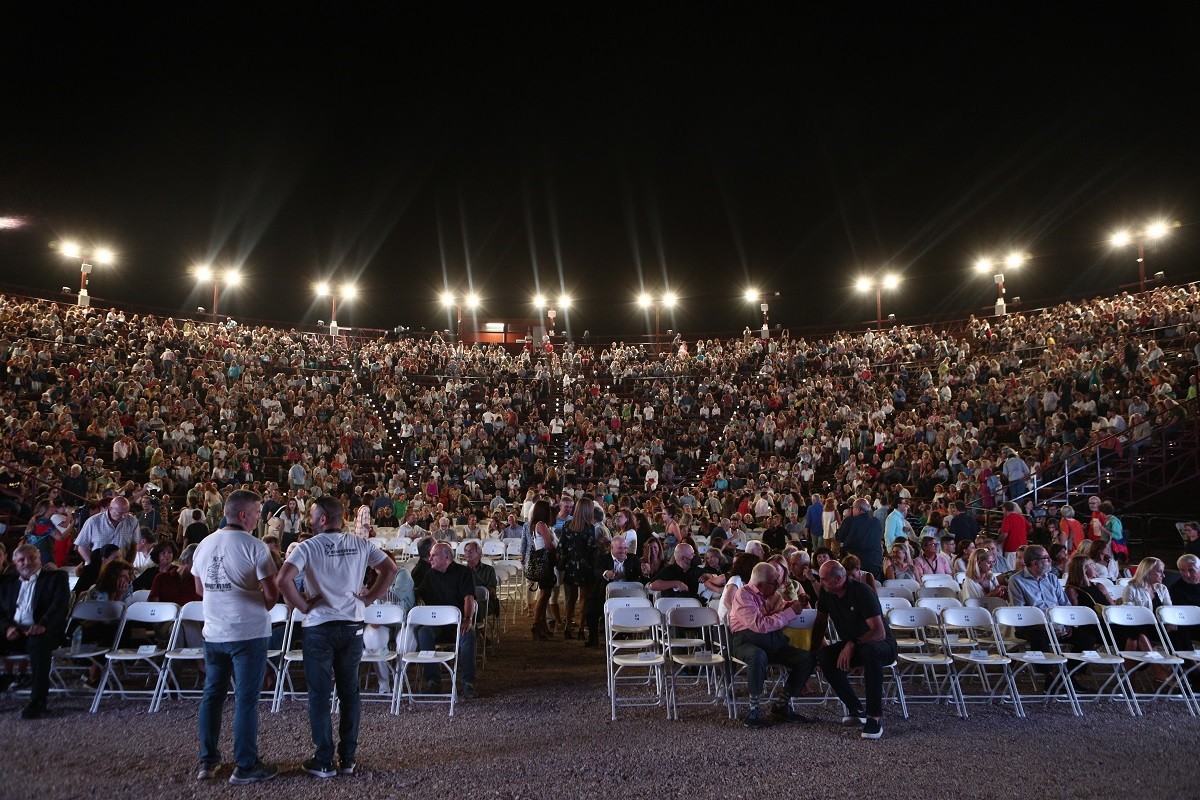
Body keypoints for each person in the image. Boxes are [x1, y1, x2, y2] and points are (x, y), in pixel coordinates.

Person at [276, 495, 397, 779]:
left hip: (319, 625)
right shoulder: (360, 544)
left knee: (319, 694)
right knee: (349, 692)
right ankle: (349, 758)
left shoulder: (308, 546)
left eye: (313, 516)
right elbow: (390, 569)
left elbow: (283, 580)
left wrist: (303, 606)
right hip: (351, 624)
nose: (310, 520)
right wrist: (369, 599)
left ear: (322, 519)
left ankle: (324, 760)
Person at [192, 489, 280, 785]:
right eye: (256, 512)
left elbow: (200, 590)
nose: (259, 517)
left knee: (212, 695)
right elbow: (270, 596)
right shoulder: (256, 547)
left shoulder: (204, 544)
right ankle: (245, 764)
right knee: (246, 699)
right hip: (248, 632)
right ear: (244, 515)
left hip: (214, 632)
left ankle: (208, 760)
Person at [811, 560, 897, 740]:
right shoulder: (827, 593)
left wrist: (851, 644)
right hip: (857, 644)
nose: (821, 582)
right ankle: (856, 708)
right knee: (825, 655)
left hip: (881, 644)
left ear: (838, 579)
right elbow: (820, 624)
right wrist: (812, 654)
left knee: (870, 652)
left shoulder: (862, 592)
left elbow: (879, 632)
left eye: (824, 579)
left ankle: (874, 718)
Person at [727, 562, 815, 728]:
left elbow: (778, 613)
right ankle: (754, 708)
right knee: (757, 655)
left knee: (807, 658)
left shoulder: (772, 594)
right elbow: (760, 624)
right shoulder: (743, 595)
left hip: (771, 640)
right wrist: (790, 612)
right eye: (774, 581)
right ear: (761, 584)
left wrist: (796, 605)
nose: (778, 584)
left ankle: (782, 704)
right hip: (747, 640)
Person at [1007, 545, 1097, 688]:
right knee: (1038, 636)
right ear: (1035, 562)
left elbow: (1064, 604)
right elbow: (1020, 611)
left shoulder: (1052, 579)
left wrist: (1067, 624)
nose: (1050, 561)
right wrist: (1045, 625)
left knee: (1087, 636)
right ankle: (1049, 677)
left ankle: (1070, 675)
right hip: (1032, 624)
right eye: (1047, 559)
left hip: (1058, 623)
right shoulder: (1016, 581)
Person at [0, 544, 70, 719]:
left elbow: (59, 605)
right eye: (21, 559)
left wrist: (43, 625)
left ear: (40, 560)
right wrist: (8, 627)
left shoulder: (56, 577)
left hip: (44, 630)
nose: (27, 562)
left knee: (37, 642)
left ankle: (38, 701)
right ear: (15, 563)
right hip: (14, 630)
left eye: (32, 558)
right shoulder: (6, 582)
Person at [414, 542, 478, 698]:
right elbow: (418, 594)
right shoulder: (430, 575)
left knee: (468, 634)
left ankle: (467, 683)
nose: (430, 559)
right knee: (423, 632)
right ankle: (433, 681)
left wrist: (468, 619)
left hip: (457, 624)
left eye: (434, 555)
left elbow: (468, 597)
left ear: (447, 556)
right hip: (437, 625)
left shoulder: (463, 572)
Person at [584, 535, 642, 647]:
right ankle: (593, 639)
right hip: (606, 597)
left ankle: (623, 634)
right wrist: (606, 573)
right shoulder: (603, 558)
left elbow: (639, 574)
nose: (624, 551)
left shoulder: (633, 559)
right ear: (612, 548)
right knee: (590, 608)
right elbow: (597, 570)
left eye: (625, 548)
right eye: (620, 548)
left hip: (628, 598)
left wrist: (644, 572)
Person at [526, 499, 558, 640]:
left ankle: (542, 625)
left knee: (545, 594)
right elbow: (549, 545)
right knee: (544, 595)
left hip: (543, 562)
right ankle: (536, 624)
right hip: (545, 562)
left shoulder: (536, 525)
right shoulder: (541, 525)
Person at [75, 496, 139, 564]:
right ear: (110, 508)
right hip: (98, 568)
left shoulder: (132, 521)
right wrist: (93, 564)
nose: (123, 516)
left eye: (126, 513)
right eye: (120, 513)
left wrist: (129, 565)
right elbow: (82, 546)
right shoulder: (93, 522)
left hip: (121, 568)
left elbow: (134, 546)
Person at [836, 498, 884, 580]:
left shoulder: (850, 520)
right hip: (874, 563)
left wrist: (845, 520)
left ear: (858, 509)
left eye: (853, 508)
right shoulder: (876, 522)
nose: (852, 510)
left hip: (853, 565)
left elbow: (839, 537)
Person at [996, 501, 1030, 572]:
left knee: (1011, 571)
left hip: (1011, 548)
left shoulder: (1007, 518)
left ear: (1004, 509)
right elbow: (1030, 529)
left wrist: (997, 543)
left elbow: (1004, 534)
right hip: (1023, 548)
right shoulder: (1021, 517)